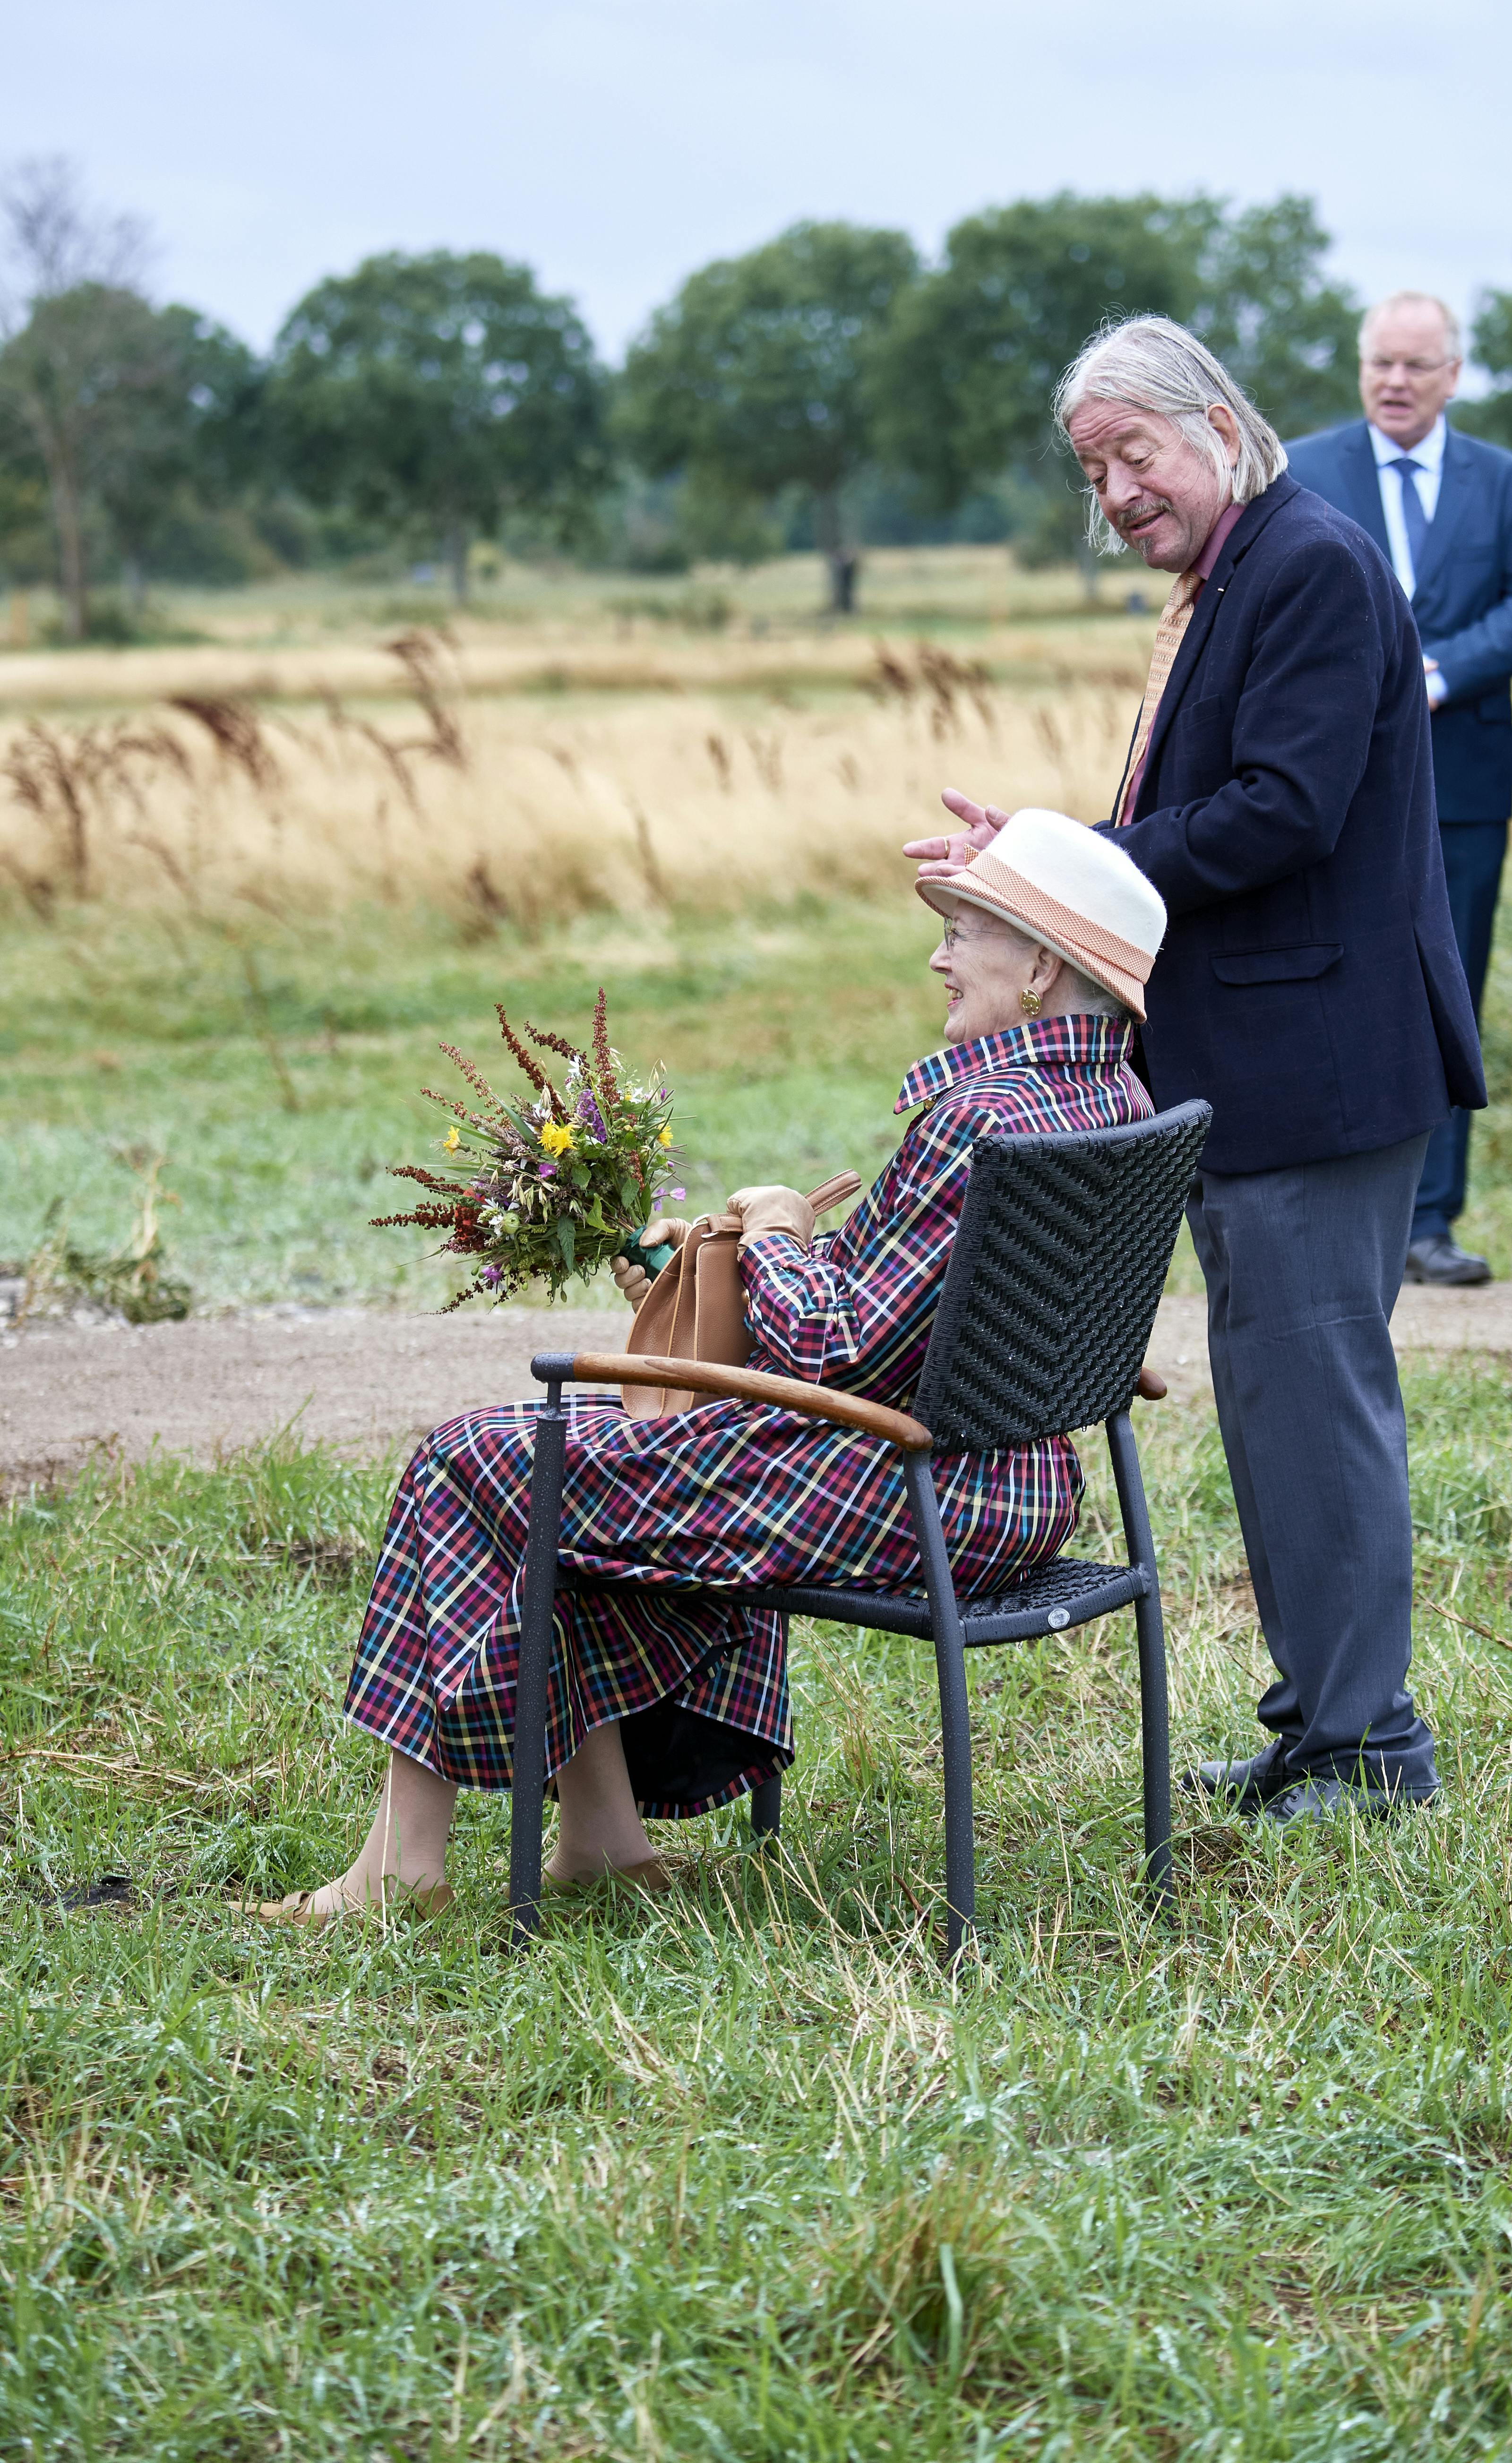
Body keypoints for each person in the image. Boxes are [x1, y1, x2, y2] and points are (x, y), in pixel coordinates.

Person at [252, 812, 1164, 1924]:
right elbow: (943, 1302)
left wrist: (774, 1233)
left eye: (963, 931)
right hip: (1022, 1483)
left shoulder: (980, 1118)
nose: (936, 954)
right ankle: (602, 1838)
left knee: (471, 1463)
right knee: (579, 1464)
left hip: (916, 1488)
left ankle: (399, 1871)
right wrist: (716, 1278)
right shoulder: (1112, 1100)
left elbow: (839, 1351)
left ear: (1039, 967)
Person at [907, 316, 1485, 1825]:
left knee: (1316, 1407)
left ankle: (1372, 1754)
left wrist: (1068, 858)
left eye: (1134, 455)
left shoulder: (1307, 563)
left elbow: (1281, 812)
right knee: (1272, 1407)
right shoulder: (1240, 567)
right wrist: (1037, 860)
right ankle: (1316, 1725)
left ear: (1217, 424)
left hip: (1321, 1071)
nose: (1117, 494)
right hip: (1264, 1072)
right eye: (1094, 471)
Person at [1285, 292, 1512, 1287]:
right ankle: (1353, 1215)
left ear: (1451, 374)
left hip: (1465, 783)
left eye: (1414, 366)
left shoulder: (1510, 482)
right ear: (1359, 369)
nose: (1393, 382)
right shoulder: (1304, 470)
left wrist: (1433, 676)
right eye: (1378, 365)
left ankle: (1431, 1221)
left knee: (1451, 991)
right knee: (1350, 984)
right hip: (1336, 788)